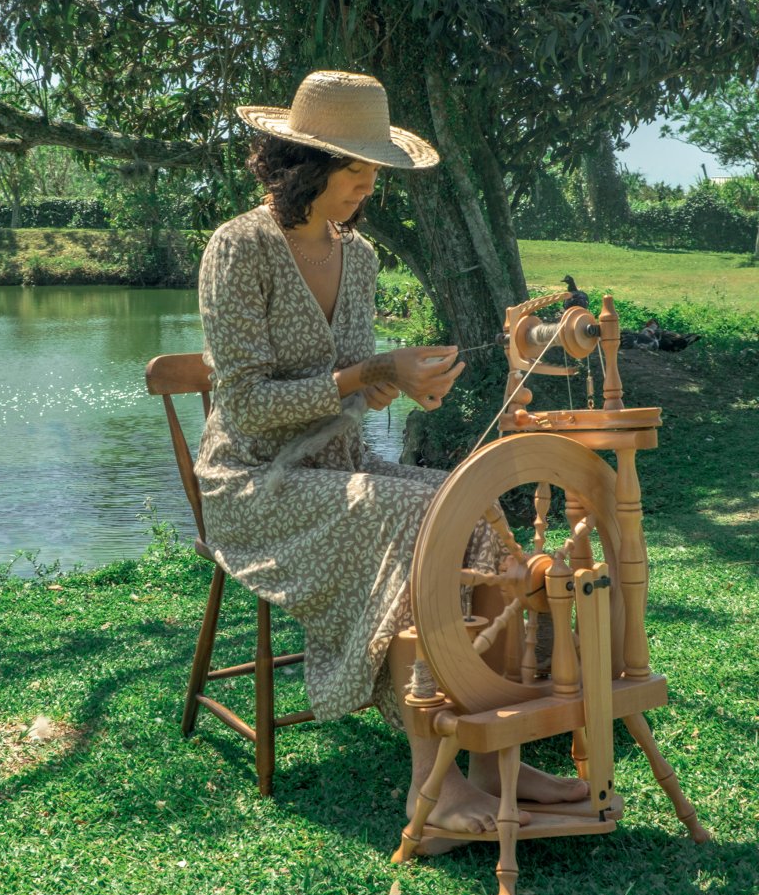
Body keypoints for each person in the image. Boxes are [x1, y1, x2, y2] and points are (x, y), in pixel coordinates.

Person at [196, 69, 587, 833]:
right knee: (419, 520)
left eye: (374, 169)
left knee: (469, 508)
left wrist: (392, 387)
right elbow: (242, 406)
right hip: (255, 481)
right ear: (300, 163)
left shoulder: (362, 258)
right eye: (355, 167)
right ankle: (430, 787)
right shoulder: (238, 249)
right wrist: (368, 373)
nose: (367, 185)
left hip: (341, 469)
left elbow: (341, 389)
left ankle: (489, 756)